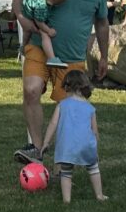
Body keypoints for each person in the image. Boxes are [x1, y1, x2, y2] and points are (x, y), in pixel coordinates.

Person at [11, 0, 109, 163]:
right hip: (39, 47)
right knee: (32, 89)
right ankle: (35, 148)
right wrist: (22, 19)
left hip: (72, 57)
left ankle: (61, 160)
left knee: (68, 110)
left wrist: (104, 56)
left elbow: (102, 23)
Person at [41, 70, 107, 203]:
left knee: (66, 172)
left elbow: (53, 124)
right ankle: (99, 195)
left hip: (67, 146)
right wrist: (95, 150)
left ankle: (67, 199)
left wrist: (46, 143)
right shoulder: (90, 108)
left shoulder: (62, 105)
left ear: (67, 87)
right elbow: (95, 131)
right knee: (93, 169)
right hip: (86, 146)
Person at [17, 0, 69, 67]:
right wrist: (48, 30)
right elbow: (39, 22)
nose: (54, 5)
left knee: (26, 32)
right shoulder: (41, 6)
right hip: (29, 14)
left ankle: (23, 46)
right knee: (44, 34)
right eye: (54, 3)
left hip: (26, 6)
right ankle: (51, 58)